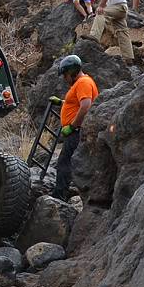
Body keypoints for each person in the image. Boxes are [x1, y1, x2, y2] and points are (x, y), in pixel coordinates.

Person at [51, 54, 97, 200]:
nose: (65, 78)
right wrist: (62, 102)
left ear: (72, 71)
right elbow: (76, 103)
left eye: (65, 75)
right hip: (76, 131)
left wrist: (72, 126)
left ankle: (59, 197)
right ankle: (66, 193)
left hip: (76, 132)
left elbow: (85, 106)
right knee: (68, 162)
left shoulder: (83, 82)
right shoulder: (82, 83)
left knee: (64, 164)